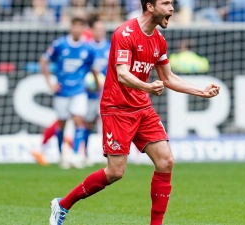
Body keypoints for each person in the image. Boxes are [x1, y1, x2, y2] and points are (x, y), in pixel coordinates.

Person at [48, 0, 220, 224]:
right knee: (115, 172)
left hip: (142, 108)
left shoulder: (158, 40)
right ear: (150, 6)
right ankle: (62, 205)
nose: (172, 8)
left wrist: (201, 91)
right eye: (166, 3)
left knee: (166, 161)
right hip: (117, 109)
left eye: (172, 3)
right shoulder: (125, 33)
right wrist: (148, 86)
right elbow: (122, 74)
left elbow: (168, 78)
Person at [40, 17, 99, 169]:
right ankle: (62, 156)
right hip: (62, 91)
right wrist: (49, 83)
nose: (77, 30)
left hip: (79, 90)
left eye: (80, 27)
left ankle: (75, 155)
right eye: (75, 26)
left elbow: (93, 68)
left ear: (83, 29)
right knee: (62, 124)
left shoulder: (88, 48)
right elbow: (43, 60)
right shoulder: (59, 44)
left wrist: (98, 85)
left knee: (79, 121)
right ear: (71, 28)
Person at [83, 19, 111, 167]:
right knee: (87, 123)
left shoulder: (110, 47)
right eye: (97, 29)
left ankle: (105, 154)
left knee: (106, 124)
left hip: (108, 93)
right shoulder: (86, 47)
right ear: (92, 30)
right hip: (91, 92)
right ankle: (85, 153)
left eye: (102, 29)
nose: (100, 31)